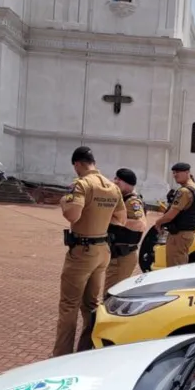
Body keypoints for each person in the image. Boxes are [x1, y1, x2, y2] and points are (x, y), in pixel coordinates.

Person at [54, 146, 126, 357]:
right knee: (91, 305)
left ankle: (61, 354)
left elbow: (73, 215)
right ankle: (86, 351)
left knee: (69, 305)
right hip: (102, 249)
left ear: (77, 164)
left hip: (82, 251)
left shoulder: (81, 184)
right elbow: (121, 219)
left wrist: (64, 201)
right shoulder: (112, 187)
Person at [105, 168, 147, 292]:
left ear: (128, 184)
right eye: (115, 178)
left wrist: (115, 220)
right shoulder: (122, 198)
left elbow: (140, 224)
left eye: (119, 180)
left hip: (123, 255)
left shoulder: (132, 201)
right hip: (117, 254)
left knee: (111, 293)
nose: (115, 181)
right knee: (112, 292)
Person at [153, 163, 195, 267]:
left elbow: (170, 215)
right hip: (185, 233)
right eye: (174, 173)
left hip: (179, 234)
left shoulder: (184, 191)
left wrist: (158, 223)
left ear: (187, 173)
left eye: (178, 172)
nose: (175, 175)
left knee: (175, 265)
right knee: (180, 262)